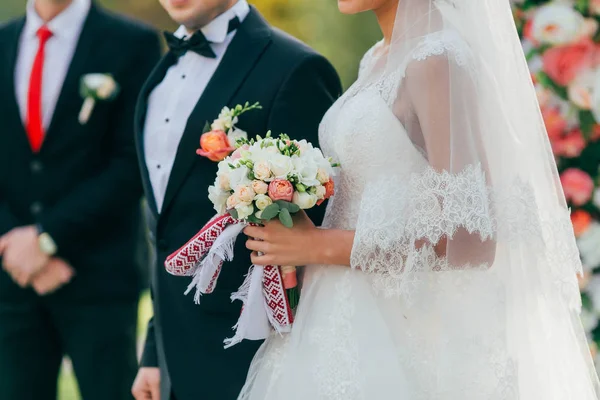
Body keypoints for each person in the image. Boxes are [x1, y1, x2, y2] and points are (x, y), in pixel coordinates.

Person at [238, 0, 600, 398]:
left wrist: (317, 245)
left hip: (403, 333)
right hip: (343, 321)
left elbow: (471, 240)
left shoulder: (437, 61)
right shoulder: (379, 58)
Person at [132, 0, 342, 399]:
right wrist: (154, 353)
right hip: (173, 354)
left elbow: (321, 226)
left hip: (254, 357)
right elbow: (167, 225)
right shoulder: (159, 76)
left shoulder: (295, 68)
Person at [0, 0, 161, 398]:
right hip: (11, 277)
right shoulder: (1, 42)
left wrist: (47, 239)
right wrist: (11, 244)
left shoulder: (133, 43)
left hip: (99, 277)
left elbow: (132, 164)